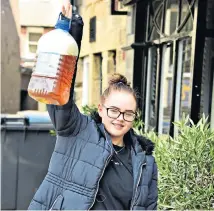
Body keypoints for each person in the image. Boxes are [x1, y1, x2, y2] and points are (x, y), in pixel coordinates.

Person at [28, 1, 158, 210]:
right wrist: (70, 33)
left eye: (128, 113)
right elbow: (61, 93)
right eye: (114, 110)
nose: (120, 118)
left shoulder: (145, 162)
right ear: (100, 109)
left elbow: (148, 206)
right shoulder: (77, 130)